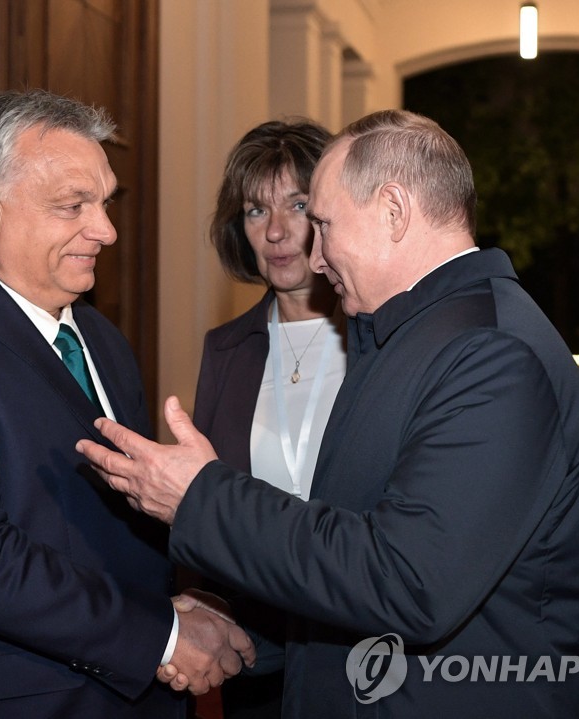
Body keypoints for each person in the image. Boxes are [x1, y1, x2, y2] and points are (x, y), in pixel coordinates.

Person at [79, 109, 579, 717]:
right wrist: (243, 639)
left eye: (324, 223)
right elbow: (353, 564)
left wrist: (200, 497)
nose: (313, 257)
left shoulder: (491, 353)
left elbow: (410, 582)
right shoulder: (406, 336)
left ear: (393, 211)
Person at [0, 89, 253, 718]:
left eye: (105, 202)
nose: (107, 230)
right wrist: (160, 635)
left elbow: (115, 523)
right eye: (73, 206)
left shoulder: (100, 339)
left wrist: (181, 600)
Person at [195, 120, 343, 719]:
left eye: (299, 205)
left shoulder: (381, 344)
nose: (277, 232)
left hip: (357, 644)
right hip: (255, 651)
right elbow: (207, 501)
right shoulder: (225, 349)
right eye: (257, 210)